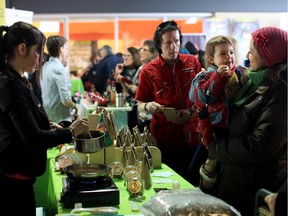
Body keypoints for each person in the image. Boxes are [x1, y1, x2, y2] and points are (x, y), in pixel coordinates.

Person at [0, 21, 90, 216]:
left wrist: (47, 125)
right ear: (22, 49)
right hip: (12, 184)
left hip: (20, 179)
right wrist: (71, 132)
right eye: (38, 51)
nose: (40, 58)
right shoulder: (11, 86)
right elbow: (33, 138)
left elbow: (23, 122)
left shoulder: (18, 79)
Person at [207, 26, 287, 215]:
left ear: (268, 56)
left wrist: (216, 148)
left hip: (255, 189)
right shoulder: (253, 82)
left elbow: (260, 145)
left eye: (252, 50)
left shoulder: (281, 92)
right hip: (239, 183)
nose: (248, 54)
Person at [134, 20, 202, 180]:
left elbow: (202, 97)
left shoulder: (193, 63)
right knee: (168, 184)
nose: (173, 46)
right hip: (164, 139)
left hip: (194, 135)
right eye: (168, 42)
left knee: (194, 184)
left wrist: (192, 111)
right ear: (159, 44)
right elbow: (140, 105)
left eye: (177, 41)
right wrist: (148, 105)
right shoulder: (148, 70)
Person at [188, 36, 242, 189]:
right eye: (223, 53)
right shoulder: (203, 76)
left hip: (233, 131)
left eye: (231, 52)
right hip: (212, 131)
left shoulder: (238, 74)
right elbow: (200, 97)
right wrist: (218, 78)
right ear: (211, 59)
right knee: (200, 171)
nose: (228, 57)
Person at [41, 35, 77, 127]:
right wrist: (75, 106)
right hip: (60, 119)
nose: (68, 52)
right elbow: (65, 100)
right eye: (67, 48)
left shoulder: (46, 66)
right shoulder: (58, 69)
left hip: (49, 115)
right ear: (61, 50)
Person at [113, 47, 141, 131]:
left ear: (135, 57)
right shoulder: (122, 70)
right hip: (123, 107)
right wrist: (117, 72)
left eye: (128, 55)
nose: (125, 57)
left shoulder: (140, 70)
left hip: (137, 108)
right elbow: (113, 88)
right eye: (124, 55)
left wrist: (123, 80)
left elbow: (136, 90)